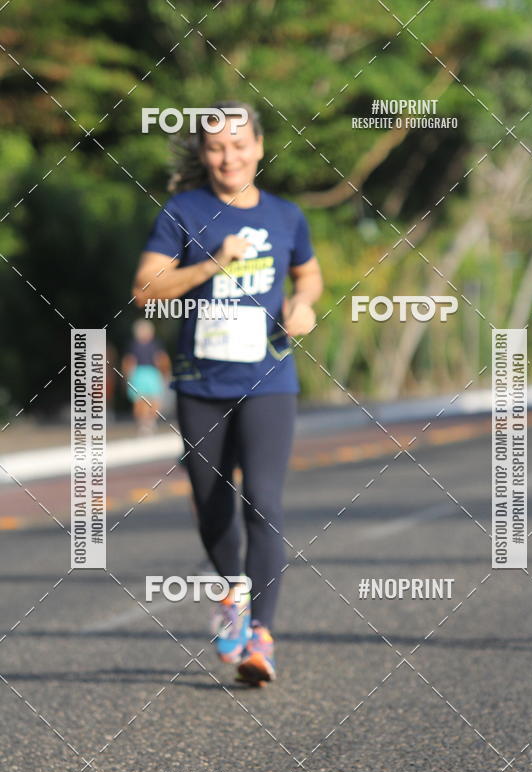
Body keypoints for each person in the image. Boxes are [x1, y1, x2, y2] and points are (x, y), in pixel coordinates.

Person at [131, 101, 323, 685]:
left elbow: (308, 274)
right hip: (201, 384)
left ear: (260, 147)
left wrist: (304, 306)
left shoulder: (287, 216)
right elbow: (146, 290)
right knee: (213, 502)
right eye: (216, 147)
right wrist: (212, 263)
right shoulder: (183, 211)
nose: (229, 157)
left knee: (263, 500)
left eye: (239, 145)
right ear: (202, 154)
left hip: (269, 380)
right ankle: (231, 597)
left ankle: (260, 635)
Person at [122, 319, 171, 434]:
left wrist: (165, 372)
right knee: (139, 400)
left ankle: (150, 421)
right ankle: (142, 422)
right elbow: (129, 361)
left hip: (152, 373)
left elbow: (161, 358)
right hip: (138, 374)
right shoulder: (133, 345)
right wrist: (127, 376)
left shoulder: (155, 344)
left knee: (154, 399)